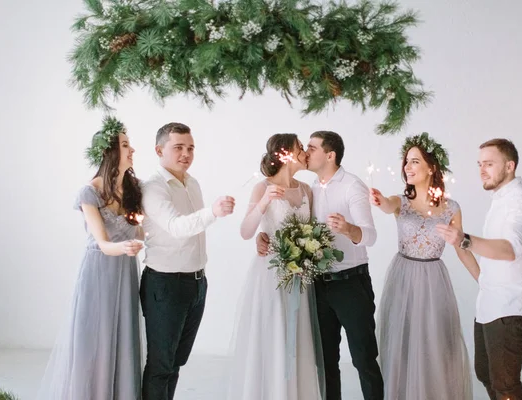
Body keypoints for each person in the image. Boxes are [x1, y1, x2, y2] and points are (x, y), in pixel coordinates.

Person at [257, 131, 384, 400]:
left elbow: (370, 236)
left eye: (312, 148)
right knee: (325, 362)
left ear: (330, 155)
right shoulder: (309, 188)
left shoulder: (353, 186)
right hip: (316, 286)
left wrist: (349, 229)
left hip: (351, 284)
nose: (306, 152)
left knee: (364, 360)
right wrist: (262, 235)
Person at [37, 116, 144, 400]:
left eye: (129, 144)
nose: (131, 149)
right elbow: (103, 243)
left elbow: (143, 231)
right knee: (94, 340)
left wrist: (141, 241)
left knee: (124, 339)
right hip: (99, 271)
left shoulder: (134, 189)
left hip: (125, 272)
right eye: (125, 144)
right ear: (109, 152)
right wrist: (126, 247)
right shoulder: (89, 192)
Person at [436, 138, 522, 400]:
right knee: (486, 374)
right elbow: (489, 257)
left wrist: (465, 240)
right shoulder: (500, 200)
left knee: (505, 383)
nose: (482, 170)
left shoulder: (521, 203)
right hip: (489, 304)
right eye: (479, 164)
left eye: (489, 163)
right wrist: (461, 245)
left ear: (510, 166)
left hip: (509, 308)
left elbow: (509, 249)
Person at [369, 132, 473, 399]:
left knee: (435, 343)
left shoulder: (452, 208)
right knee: (402, 342)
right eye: (406, 162)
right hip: (403, 277)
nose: (408, 167)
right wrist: (381, 201)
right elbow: (388, 204)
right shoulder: (401, 202)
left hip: (433, 279)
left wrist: (484, 280)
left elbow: (461, 248)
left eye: (415, 161)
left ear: (431, 167)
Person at [140, 122, 235, 400]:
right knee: (161, 365)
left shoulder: (192, 182)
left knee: (177, 362)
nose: (186, 154)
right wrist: (213, 212)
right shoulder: (153, 188)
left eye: (190, 148)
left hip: (196, 283)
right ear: (159, 150)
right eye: (178, 147)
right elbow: (177, 226)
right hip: (165, 285)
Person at [228, 133, 324, 400]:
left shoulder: (306, 190)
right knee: (272, 337)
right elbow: (246, 231)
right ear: (286, 154)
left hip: (300, 276)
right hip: (271, 276)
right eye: (300, 148)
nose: (305, 152)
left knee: (297, 339)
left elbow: (313, 231)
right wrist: (264, 202)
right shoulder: (263, 187)